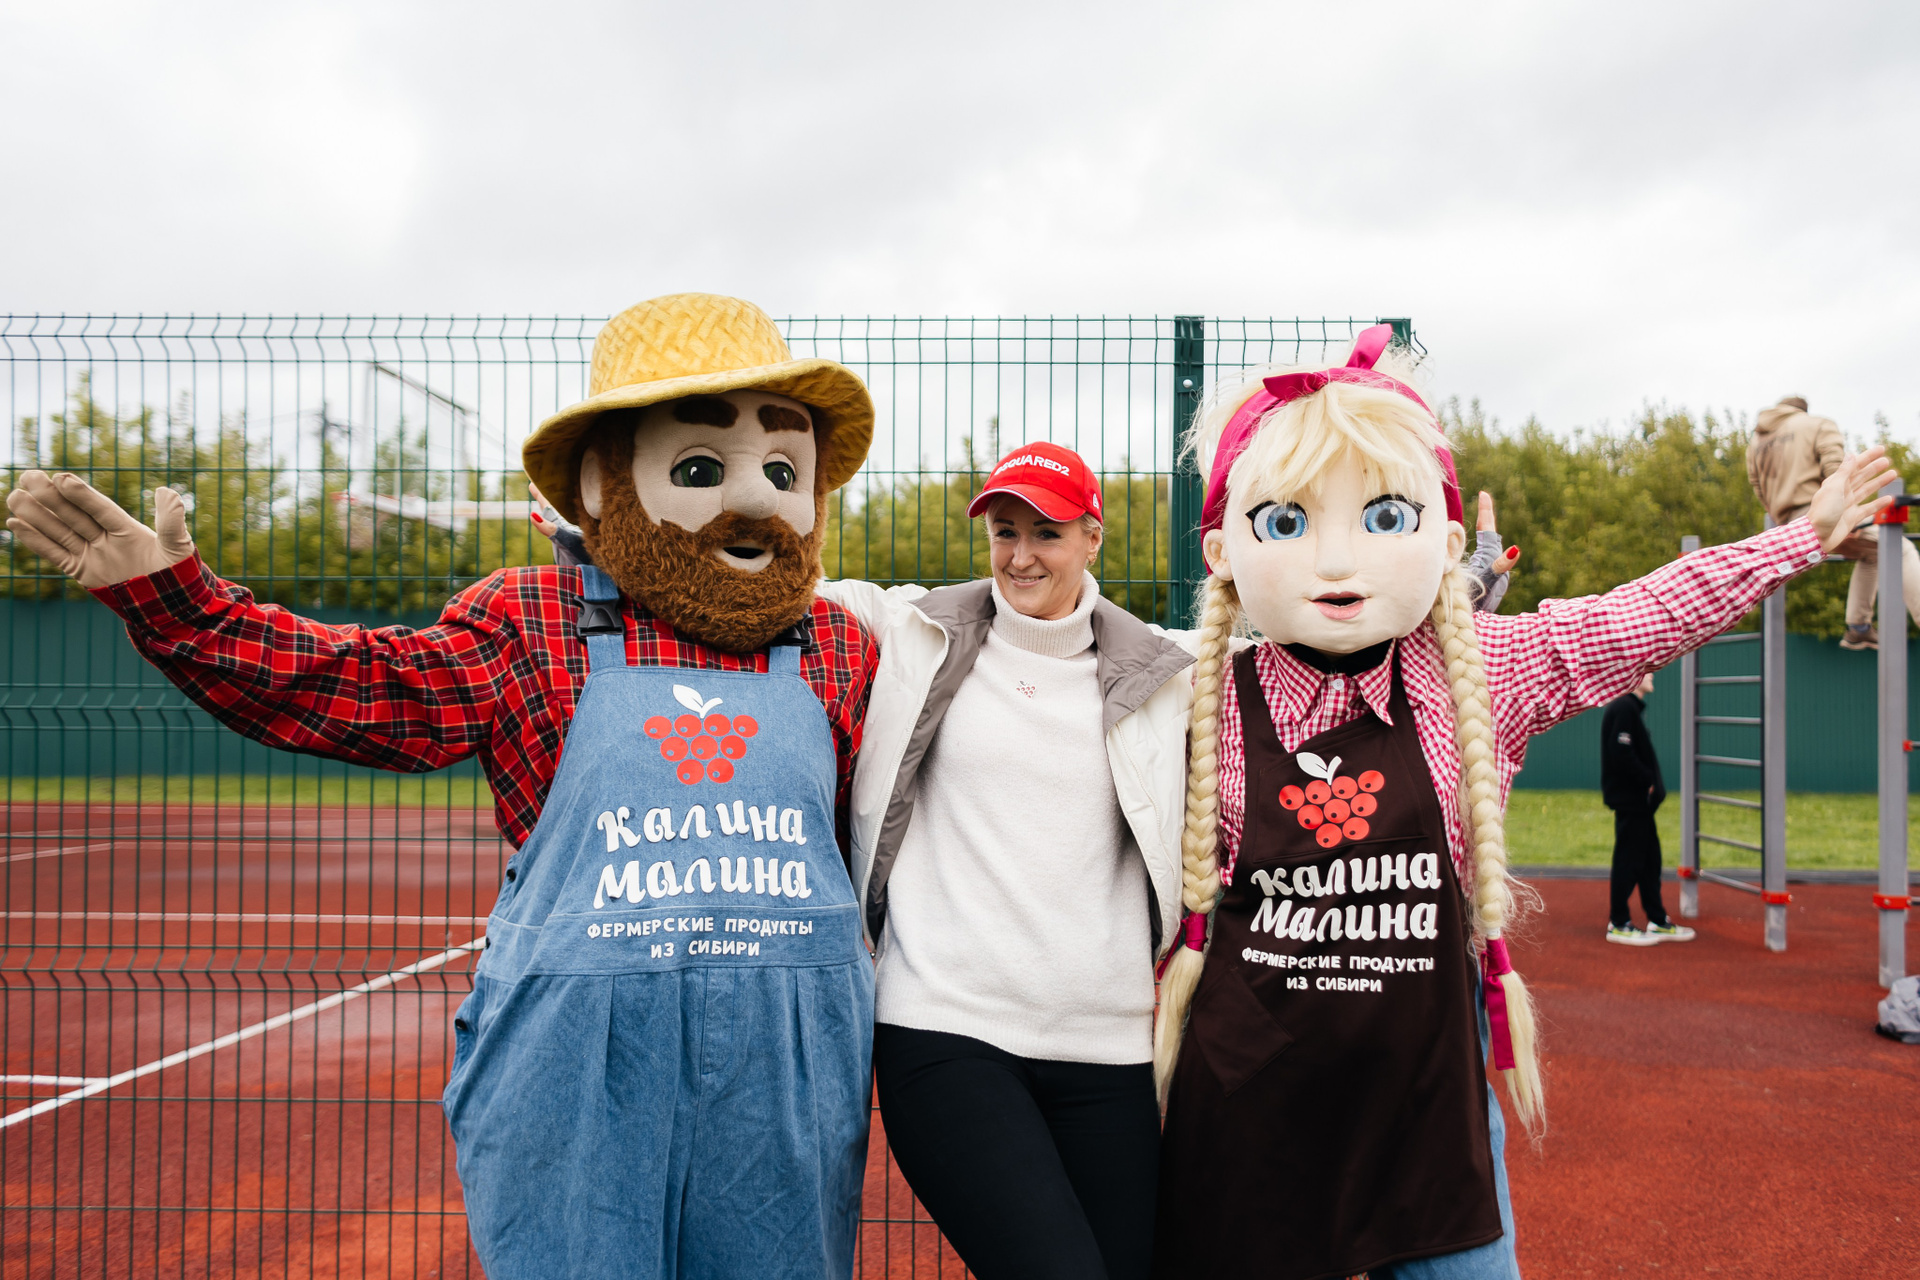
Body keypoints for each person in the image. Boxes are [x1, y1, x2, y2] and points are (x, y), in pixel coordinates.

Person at [5, 293, 886, 1280]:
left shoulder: (840, 646)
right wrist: (183, 607)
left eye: (783, 471)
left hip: (785, 1069)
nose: (757, 500)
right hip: (579, 1065)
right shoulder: (533, 619)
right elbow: (362, 688)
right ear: (600, 485)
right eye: (698, 468)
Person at [1148, 326, 1897, 1280]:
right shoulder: (1193, 690)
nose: (1337, 562)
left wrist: (1796, 539)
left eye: (1384, 517)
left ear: (1443, 539)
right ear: (1222, 550)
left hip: (1425, 1106)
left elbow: (1642, 615)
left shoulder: (1488, 669)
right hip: (1253, 1096)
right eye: (1287, 523)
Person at [1748, 395, 1913, 651]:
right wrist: (1843, 518)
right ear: (1803, 411)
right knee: (1899, 549)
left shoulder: (1756, 442)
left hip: (1789, 525)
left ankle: (1859, 627)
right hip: (1823, 514)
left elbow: (1757, 486)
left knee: (1873, 553)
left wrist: (1783, 518)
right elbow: (1836, 471)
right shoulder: (1818, 424)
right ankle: (1861, 625)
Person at [1600, 672, 1693, 945]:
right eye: (1647, 669)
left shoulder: (1629, 708)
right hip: (1632, 802)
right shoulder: (1623, 707)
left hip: (1639, 804)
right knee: (1628, 860)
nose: (1652, 674)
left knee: (1650, 860)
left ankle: (1657, 919)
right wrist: (1648, 780)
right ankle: (1619, 923)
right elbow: (1621, 753)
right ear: (1633, 674)